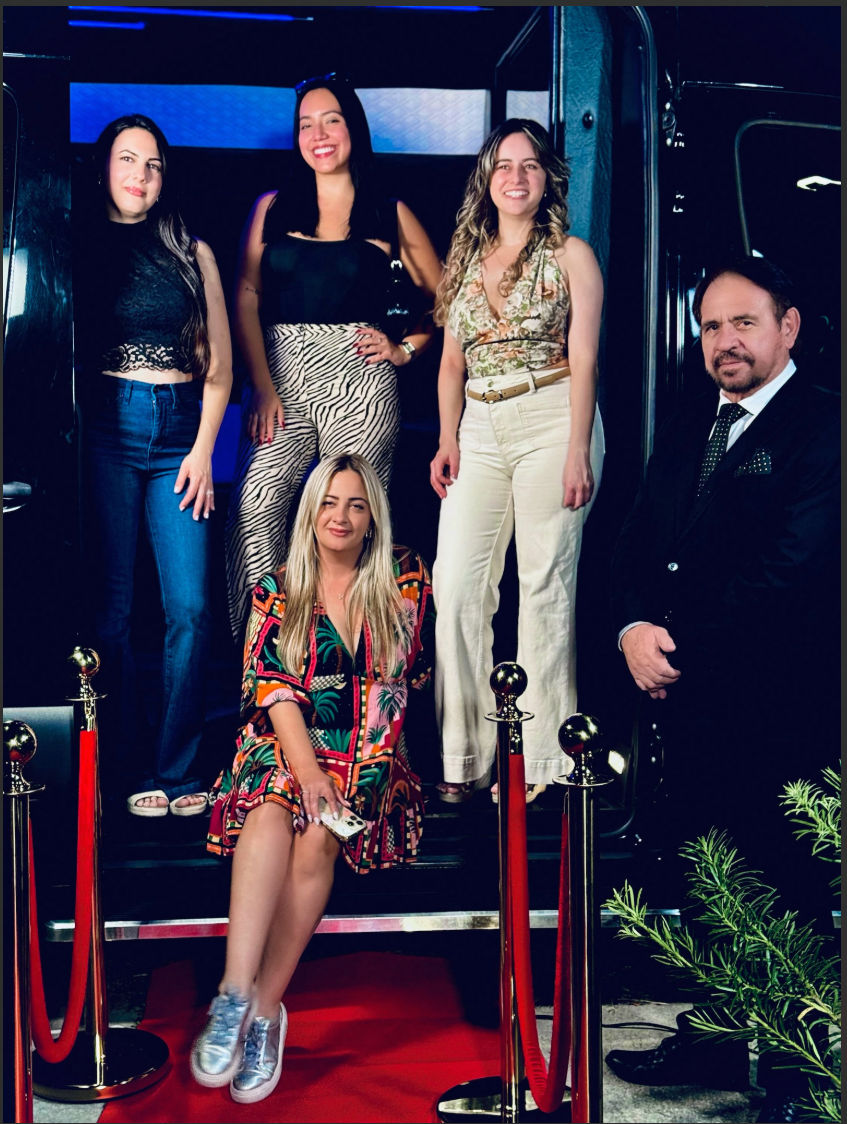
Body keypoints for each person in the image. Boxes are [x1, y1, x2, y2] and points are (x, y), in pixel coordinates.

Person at [605, 257, 839, 1123]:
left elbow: (793, 576)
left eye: (743, 323)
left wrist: (679, 650)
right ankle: (713, 1032)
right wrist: (632, 630)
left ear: (788, 327)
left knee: (785, 884)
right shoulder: (692, 424)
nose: (724, 341)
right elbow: (633, 544)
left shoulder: (823, 428)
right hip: (692, 708)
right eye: (710, 326)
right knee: (710, 878)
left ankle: (798, 1074)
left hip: (781, 710)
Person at [193, 452, 433, 1104]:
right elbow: (270, 691)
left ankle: (267, 1011)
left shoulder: (404, 577)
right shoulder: (276, 586)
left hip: (368, 744)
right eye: (329, 502)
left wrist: (355, 772)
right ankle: (234, 996)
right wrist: (305, 772)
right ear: (310, 512)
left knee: (323, 832)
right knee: (271, 807)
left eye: (356, 504)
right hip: (282, 740)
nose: (342, 515)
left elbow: (397, 681)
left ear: (371, 518)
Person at [224, 73, 442, 641]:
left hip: (359, 380)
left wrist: (403, 348)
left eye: (331, 120)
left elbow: (447, 300)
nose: (318, 134)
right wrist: (262, 385)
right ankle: (267, 665)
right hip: (282, 375)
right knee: (257, 507)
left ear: (353, 128)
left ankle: (344, 675)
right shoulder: (271, 207)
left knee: (351, 530)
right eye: (305, 124)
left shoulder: (387, 211)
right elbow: (245, 295)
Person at [428, 118, 605, 804]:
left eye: (529, 165)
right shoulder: (464, 261)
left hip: (549, 414)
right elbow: (449, 364)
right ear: (487, 178)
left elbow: (585, 358)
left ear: (545, 179)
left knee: (542, 588)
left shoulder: (570, 255)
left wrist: (576, 449)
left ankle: (539, 760)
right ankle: (465, 755)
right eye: (503, 165)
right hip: (478, 423)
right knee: (458, 589)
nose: (515, 176)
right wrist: (447, 438)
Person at [75, 114, 233, 817]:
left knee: (190, 610)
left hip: (180, 433)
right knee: (109, 614)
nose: (140, 175)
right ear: (105, 167)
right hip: (105, 427)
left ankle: (177, 772)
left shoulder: (191, 249)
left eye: (153, 164)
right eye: (127, 160)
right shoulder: (75, 242)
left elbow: (222, 370)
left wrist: (202, 450)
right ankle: (128, 764)